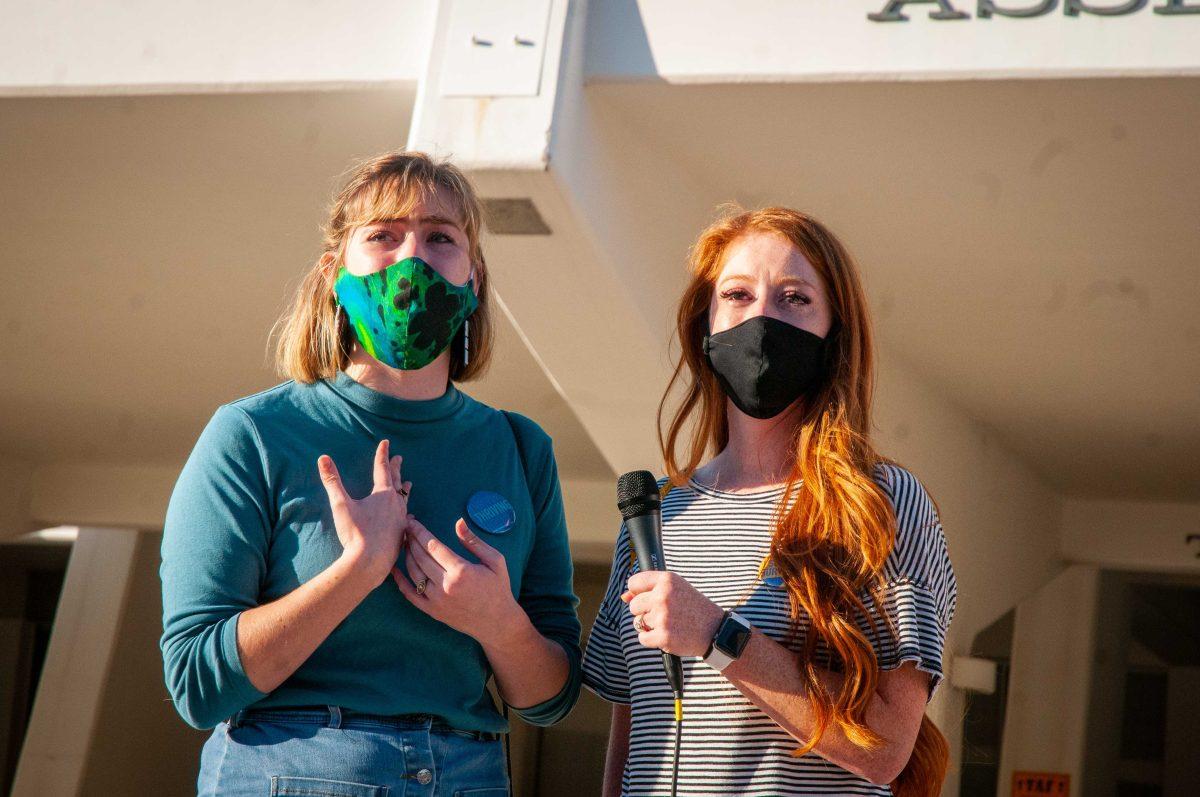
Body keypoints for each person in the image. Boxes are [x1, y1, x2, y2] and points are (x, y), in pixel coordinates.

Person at [160, 151, 582, 796]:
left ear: (472, 278)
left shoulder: (521, 447)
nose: (411, 259)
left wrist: (497, 622)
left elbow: (550, 699)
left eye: (441, 237)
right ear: (335, 272)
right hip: (298, 769)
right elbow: (196, 684)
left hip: (471, 774)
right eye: (383, 235)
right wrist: (358, 568)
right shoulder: (254, 433)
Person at [582, 207, 957, 797]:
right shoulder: (655, 513)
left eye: (794, 299)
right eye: (737, 294)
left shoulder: (881, 503)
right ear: (704, 328)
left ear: (835, 334)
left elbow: (886, 748)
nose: (761, 318)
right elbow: (629, 743)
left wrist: (717, 635)